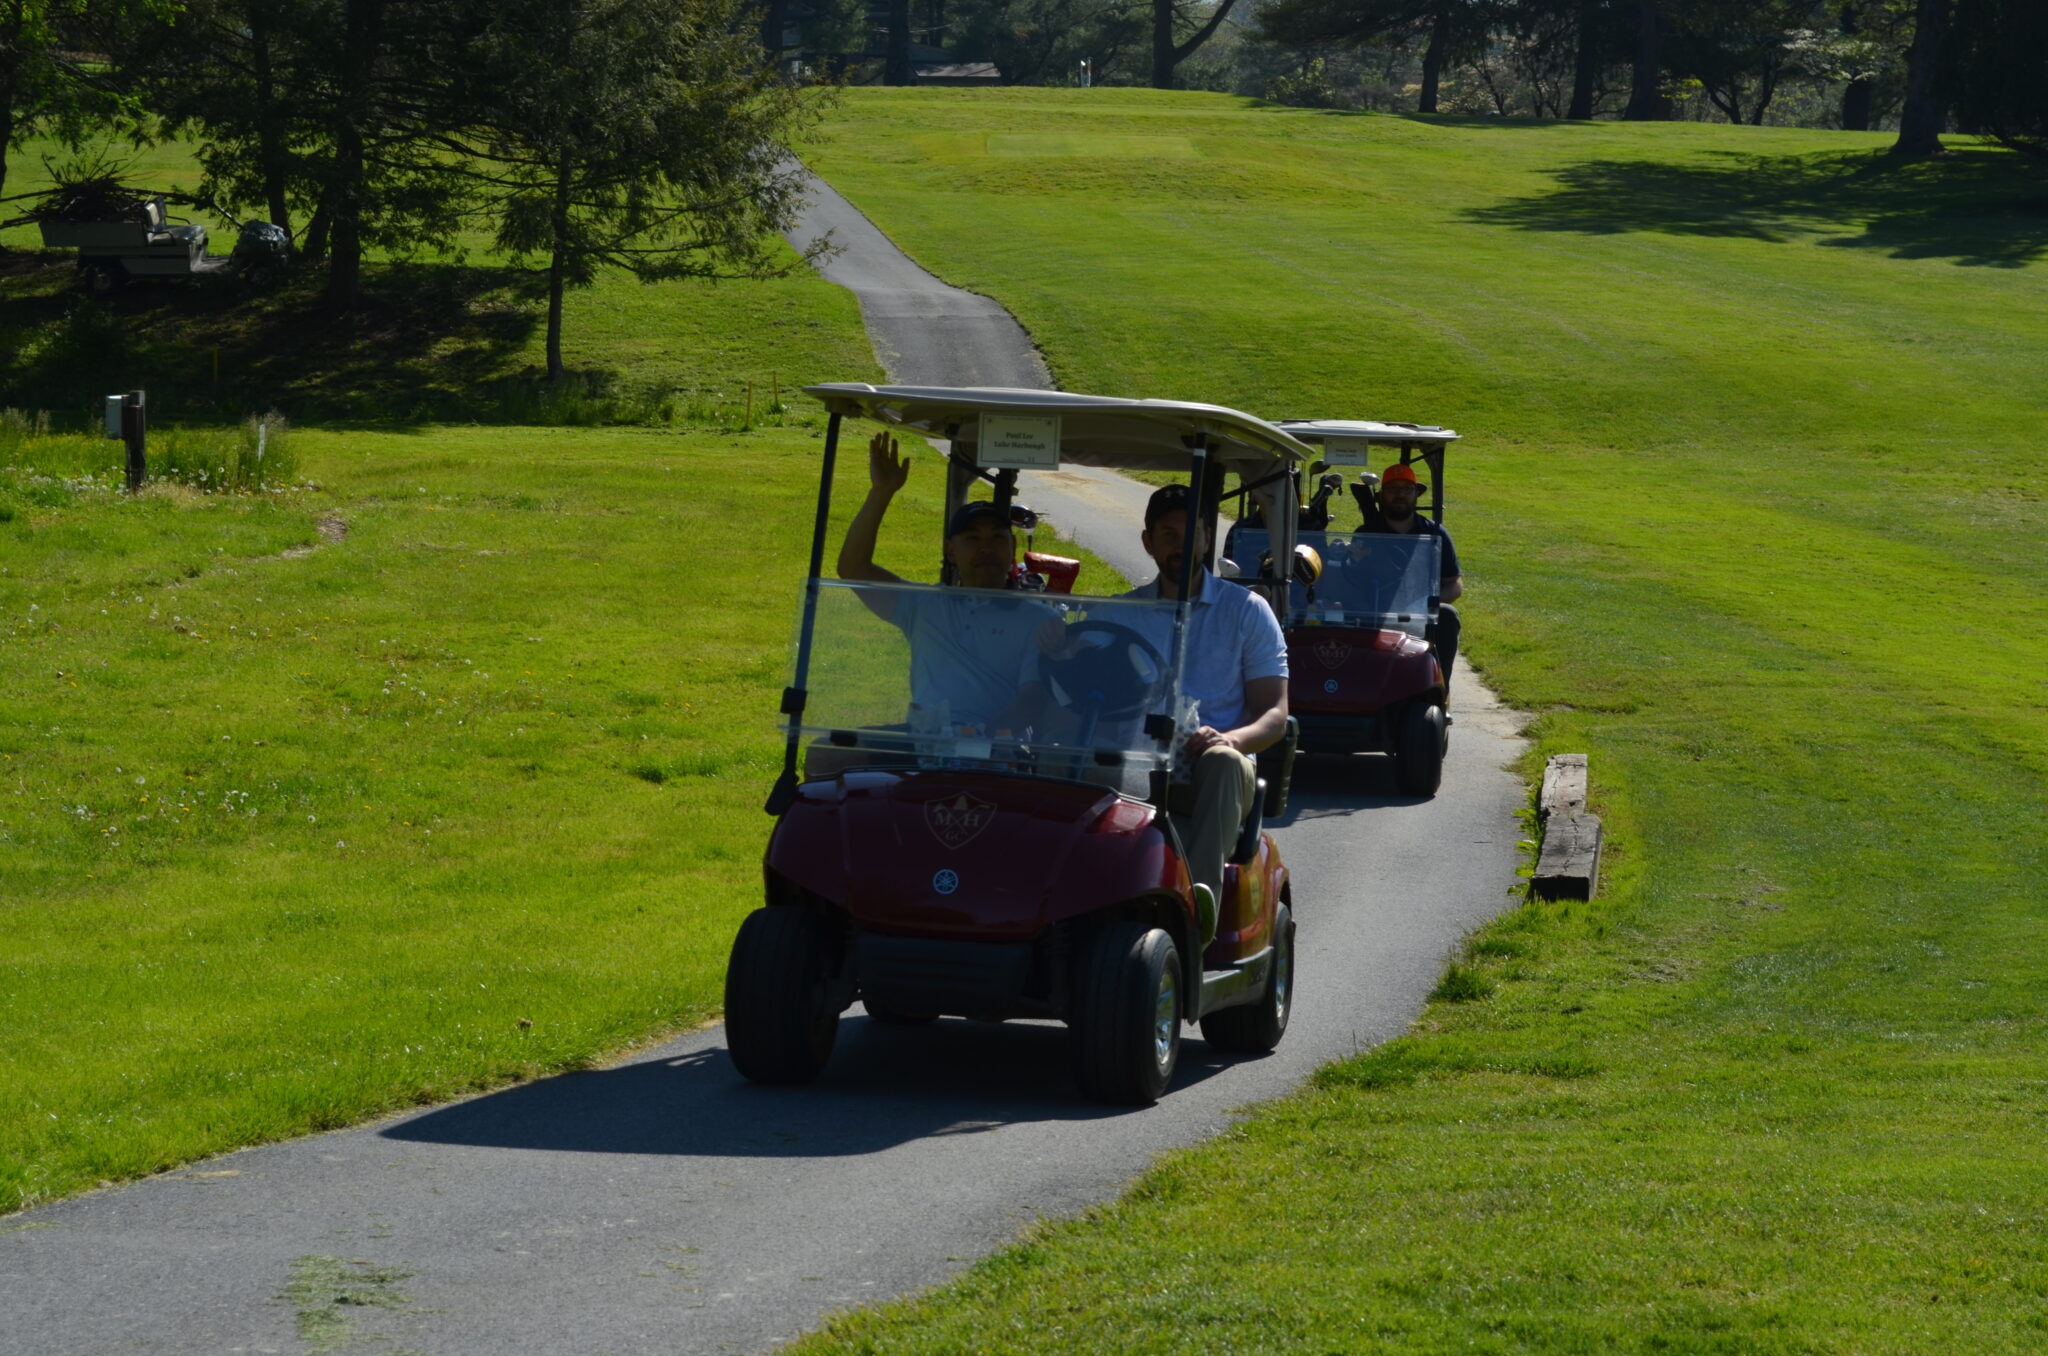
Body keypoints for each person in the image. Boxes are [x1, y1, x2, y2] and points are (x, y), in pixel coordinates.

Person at [1120, 483, 1289, 943]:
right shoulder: (1123, 612)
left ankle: (1193, 911)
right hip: (1136, 761)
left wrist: (1230, 739)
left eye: (1189, 534)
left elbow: (1274, 713)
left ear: (1205, 539)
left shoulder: (1246, 611)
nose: (1179, 545)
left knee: (1222, 762)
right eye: (1167, 534)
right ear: (1148, 542)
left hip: (1213, 765)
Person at [837, 431, 1053, 735]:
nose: (986, 548)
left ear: (1012, 549)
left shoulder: (1039, 619)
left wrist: (981, 737)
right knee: (826, 754)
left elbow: (1032, 701)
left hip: (996, 749)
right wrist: (882, 491)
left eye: (997, 538)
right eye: (972, 538)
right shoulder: (923, 606)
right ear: (950, 551)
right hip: (926, 740)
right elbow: (853, 567)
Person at [1365, 461, 1463, 692]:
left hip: (1419, 614)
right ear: (1381, 495)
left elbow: (1454, 584)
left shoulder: (1435, 533)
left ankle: (1439, 691)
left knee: (1448, 615)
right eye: (1392, 489)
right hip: (1374, 612)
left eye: (1406, 489)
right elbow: (1353, 579)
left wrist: (1427, 603)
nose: (1400, 495)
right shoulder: (1367, 533)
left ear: (1416, 494)